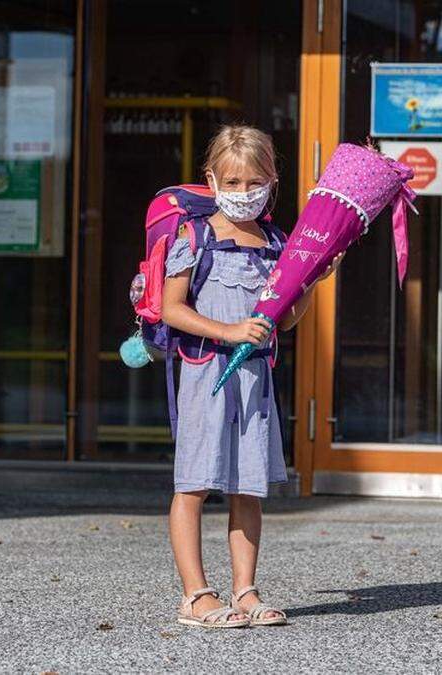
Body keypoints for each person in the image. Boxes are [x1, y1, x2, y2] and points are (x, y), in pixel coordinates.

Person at [160, 125, 336, 628]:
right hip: (205, 374)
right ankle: (195, 595)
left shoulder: (278, 241)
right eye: (232, 182)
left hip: (255, 380)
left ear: (273, 179)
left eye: (253, 182)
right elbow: (173, 308)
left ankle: (246, 591)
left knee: (247, 486)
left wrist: (311, 283)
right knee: (193, 483)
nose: (243, 193)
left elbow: (282, 319)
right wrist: (227, 330)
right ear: (211, 179)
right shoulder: (193, 236)